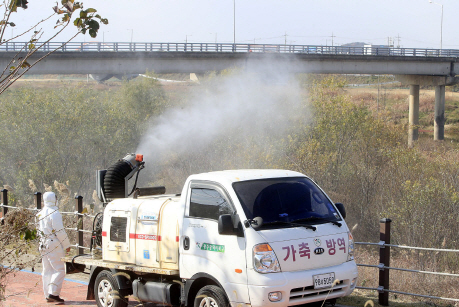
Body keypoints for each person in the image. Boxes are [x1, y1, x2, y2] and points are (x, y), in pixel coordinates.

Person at [36, 191, 71, 303]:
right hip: (53, 243)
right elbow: (60, 231)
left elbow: (37, 231)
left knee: (47, 270)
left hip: (42, 243)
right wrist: (67, 245)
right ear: (54, 199)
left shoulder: (39, 214)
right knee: (59, 269)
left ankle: (48, 294)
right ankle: (53, 293)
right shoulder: (54, 213)